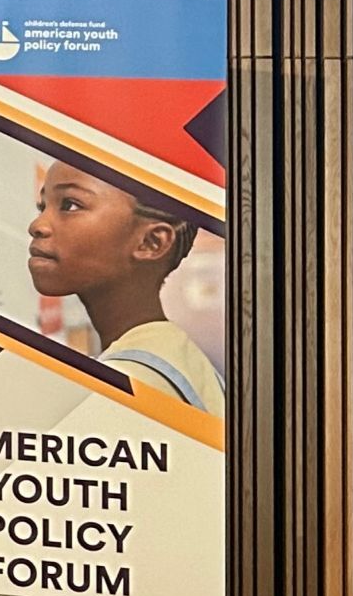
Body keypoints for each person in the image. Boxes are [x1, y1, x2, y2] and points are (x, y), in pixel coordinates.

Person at [25, 160, 226, 417]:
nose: (37, 225)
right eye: (42, 206)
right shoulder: (177, 351)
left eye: (70, 205)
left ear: (151, 242)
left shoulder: (130, 382)